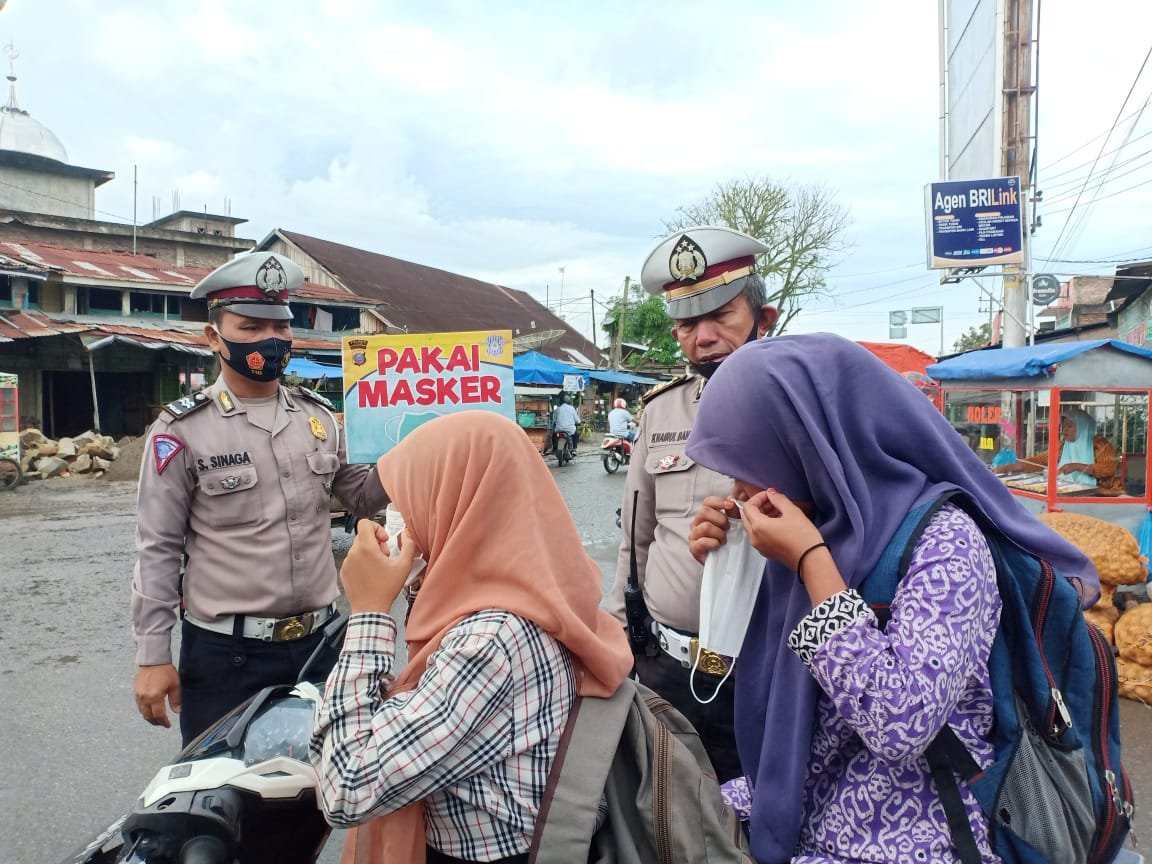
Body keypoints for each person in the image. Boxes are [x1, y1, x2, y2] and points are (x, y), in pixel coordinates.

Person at [684, 334, 1099, 864]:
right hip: (805, 824)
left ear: (808, 445)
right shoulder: (824, 524)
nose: (739, 488)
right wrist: (730, 570)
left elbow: (901, 722)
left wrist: (812, 562)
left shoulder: (943, 541)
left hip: (914, 845)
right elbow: (792, 714)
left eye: (751, 462)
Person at [309, 411, 632, 864]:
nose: (394, 519)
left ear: (454, 503)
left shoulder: (491, 638)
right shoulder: (534, 591)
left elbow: (347, 788)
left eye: (405, 500)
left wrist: (367, 610)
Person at [131, 251, 389, 745]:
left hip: (320, 648)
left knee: (321, 796)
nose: (270, 340)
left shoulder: (317, 419)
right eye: (250, 327)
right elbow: (157, 547)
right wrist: (152, 655)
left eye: (280, 327)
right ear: (214, 336)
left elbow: (356, 491)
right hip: (228, 659)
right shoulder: (181, 430)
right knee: (224, 801)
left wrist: (423, 453)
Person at [605, 225, 778, 783]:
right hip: (667, 667)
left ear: (764, 319)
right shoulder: (661, 412)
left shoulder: (801, 409)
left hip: (768, 669)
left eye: (720, 316)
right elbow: (636, 536)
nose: (702, 337)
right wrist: (615, 642)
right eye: (686, 323)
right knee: (667, 814)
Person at [992, 406, 1122, 493]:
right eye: (1063, 426)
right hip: (1066, 495)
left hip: (1098, 498)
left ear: (1083, 427)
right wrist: (1004, 469)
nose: (1064, 430)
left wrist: (1076, 466)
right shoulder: (1061, 446)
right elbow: (1036, 462)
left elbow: (1107, 469)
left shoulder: (1100, 445)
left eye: (1069, 426)